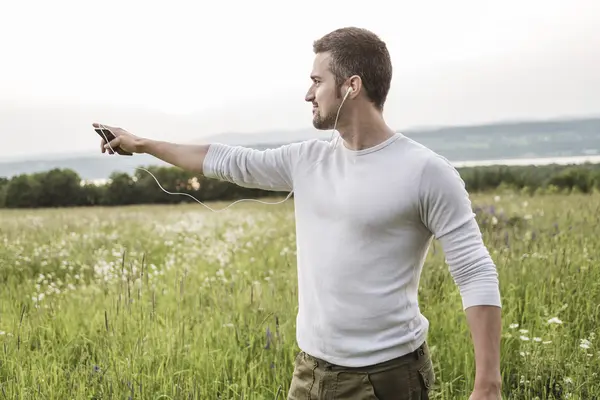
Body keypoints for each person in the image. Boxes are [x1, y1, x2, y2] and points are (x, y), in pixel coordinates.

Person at [95, 27, 502, 400]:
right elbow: (224, 160)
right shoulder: (307, 159)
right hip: (309, 371)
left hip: (384, 378)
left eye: (317, 81)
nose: (308, 94)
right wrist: (143, 144)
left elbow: (475, 271)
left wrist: (487, 384)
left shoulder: (427, 171)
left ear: (351, 87)